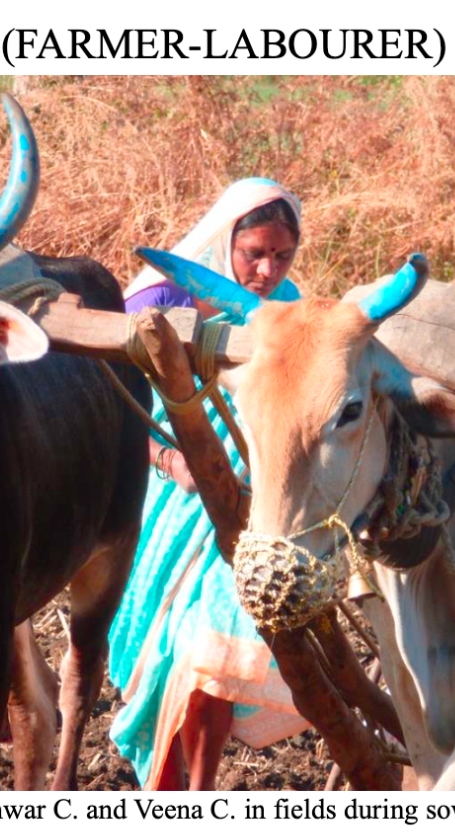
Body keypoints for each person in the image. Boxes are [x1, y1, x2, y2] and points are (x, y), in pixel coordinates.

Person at [108, 178, 310, 790]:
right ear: (227, 241)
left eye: (282, 255)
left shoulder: (289, 303)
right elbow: (115, 403)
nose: (267, 269)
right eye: (255, 253)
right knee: (173, 648)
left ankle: (197, 789)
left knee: (214, 648)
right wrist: (170, 462)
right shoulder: (159, 293)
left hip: (247, 494)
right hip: (169, 493)